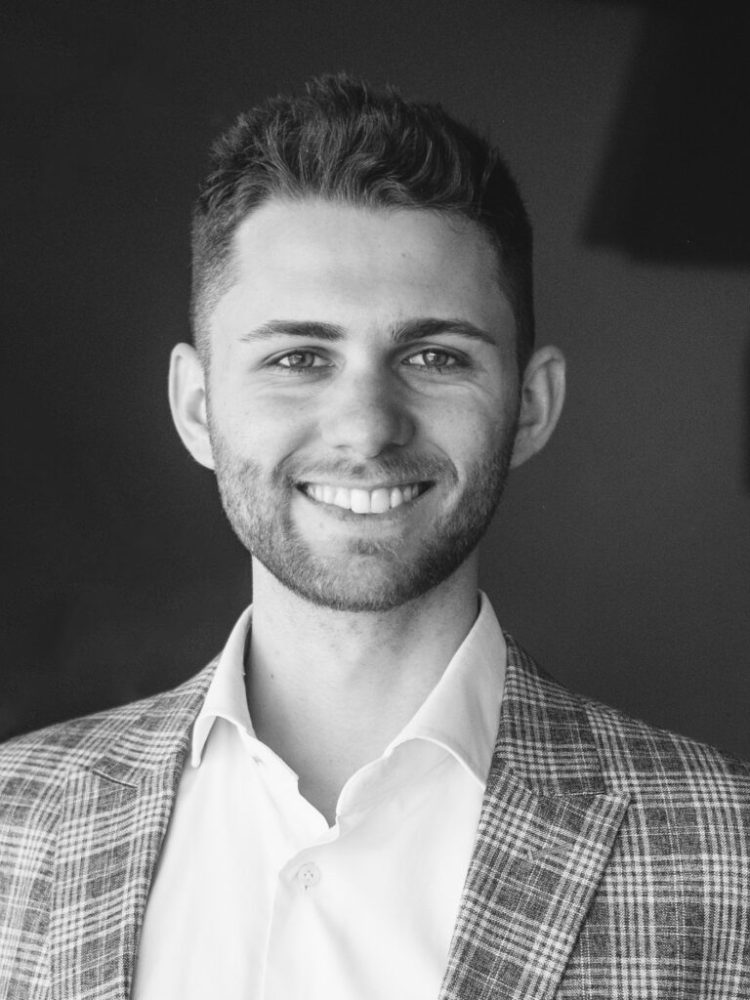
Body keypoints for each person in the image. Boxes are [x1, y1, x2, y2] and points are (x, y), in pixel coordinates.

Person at [1, 74, 748, 1000]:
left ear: (531, 405)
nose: (365, 428)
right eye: (297, 358)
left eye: (435, 357)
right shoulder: (12, 820)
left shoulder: (730, 854)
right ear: (197, 407)